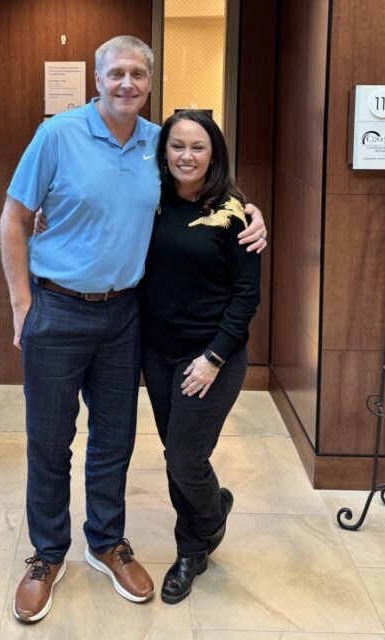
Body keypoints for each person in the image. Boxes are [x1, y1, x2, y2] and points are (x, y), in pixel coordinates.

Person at [0, 35, 267, 623]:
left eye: (138, 74)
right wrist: (22, 304)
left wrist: (251, 211)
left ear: (150, 82)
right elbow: (15, 218)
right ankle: (47, 554)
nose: (127, 83)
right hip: (57, 308)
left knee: (114, 440)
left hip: (125, 316)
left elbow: (202, 188)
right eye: (116, 72)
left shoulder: (156, 143)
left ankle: (105, 542)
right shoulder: (57, 135)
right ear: (98, 78)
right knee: (49, 441)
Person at [139, 109, 261, 603]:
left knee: (185, 457)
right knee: (176, 456)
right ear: (163, 152)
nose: (186, 156)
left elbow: (247, 296)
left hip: (212, 356)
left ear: (214, 155)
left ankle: (203, 531)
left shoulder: (234, 213)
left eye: (197, 147)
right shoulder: (149, 201)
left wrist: (213, 358)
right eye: (177, 146)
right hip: (157, 353)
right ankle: (195, 544)